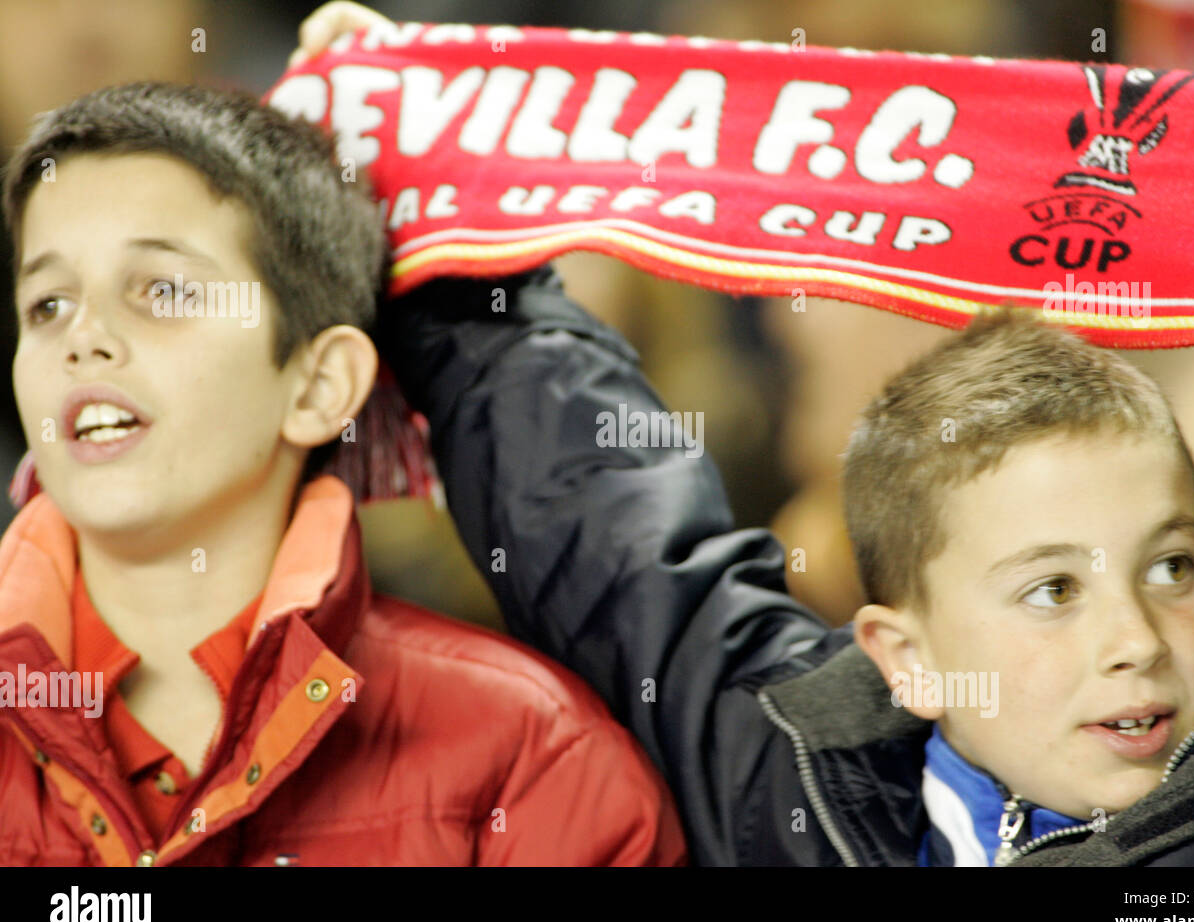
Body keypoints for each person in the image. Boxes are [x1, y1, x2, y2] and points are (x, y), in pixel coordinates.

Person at [377, 277, 1194, 866]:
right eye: (1053, 591)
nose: (1136, 640)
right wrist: (448, 225)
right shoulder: (788, 771)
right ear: (907, 659)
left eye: (1171, 566)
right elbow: (601, 524)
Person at [0, 81, 685, 866]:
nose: (82, 339)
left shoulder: (529, 758)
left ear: (321, 386)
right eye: (47, 305)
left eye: (160, 290)